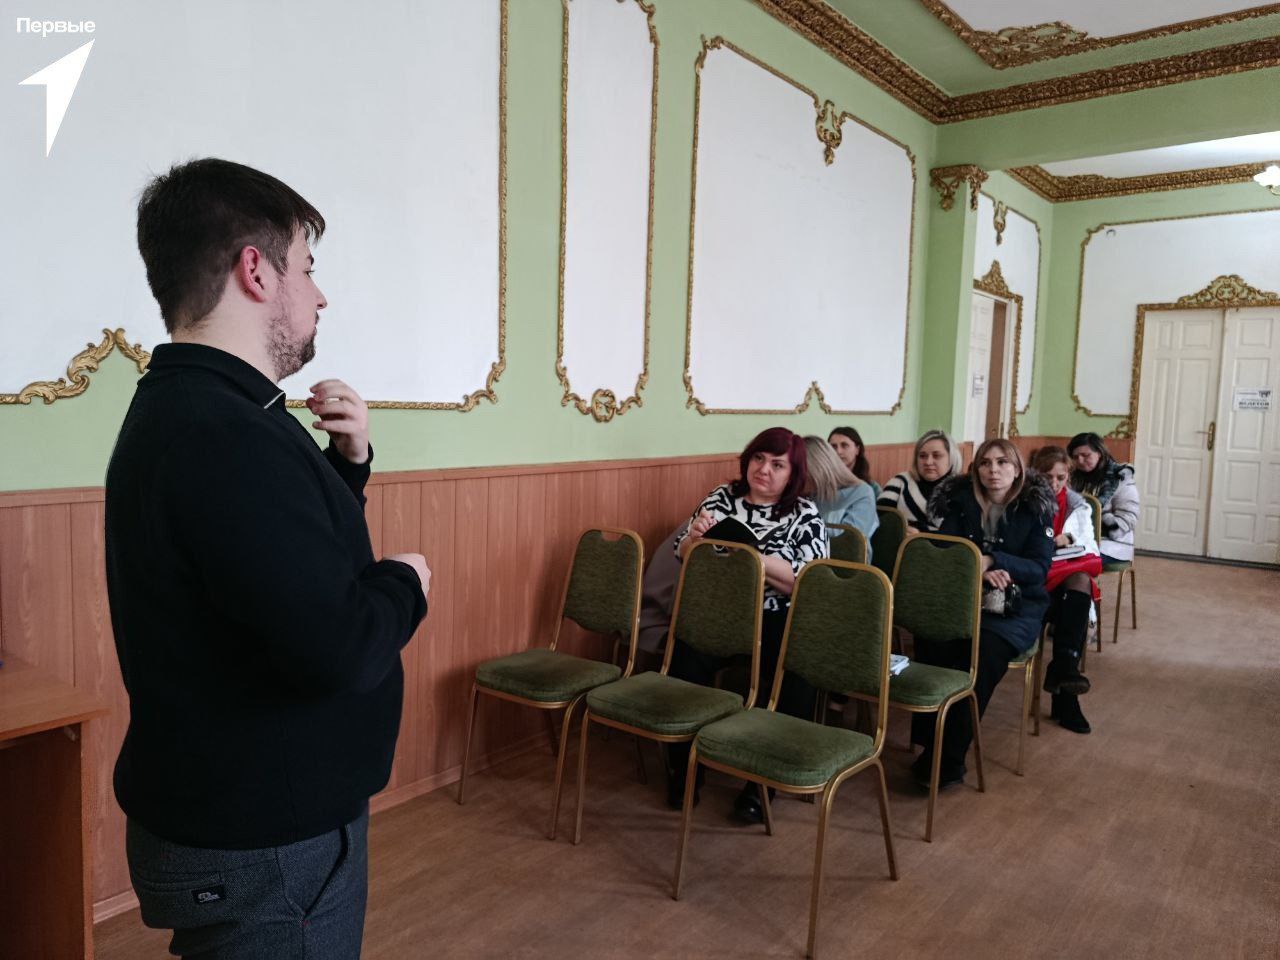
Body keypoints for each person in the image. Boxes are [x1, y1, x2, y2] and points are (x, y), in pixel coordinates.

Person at [106, 158, 430, 960]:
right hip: (269, 843)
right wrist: (407, 582)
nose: (320, 295)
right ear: (256, 271)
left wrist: (347, 467)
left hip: (248, 818)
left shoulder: (204, 408)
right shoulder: (224, 433)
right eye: (308, 269)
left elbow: (271, 569)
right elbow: (338, 646)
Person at [666, 428, 828, 822]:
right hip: (720, 612)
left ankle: (762, 785)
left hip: (776, 617)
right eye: (758, 458)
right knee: (683, 663)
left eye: (777, 465)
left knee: (798, 673)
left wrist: (752, 555)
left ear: (793, 474)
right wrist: (694, 541)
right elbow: (681, 551)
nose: (764, 470)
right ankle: (684, 769)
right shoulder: (721, 498)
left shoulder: (804, 514)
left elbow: (806, 578)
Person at [916, 439, 1053, 786]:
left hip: (1015, 608)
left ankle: (947, 759)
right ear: (976, 469)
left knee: (981, 657)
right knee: (934, 641)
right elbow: (944, 551)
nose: (994, 470)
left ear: (1017, 469)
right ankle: (929, 740)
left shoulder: (1034, 508)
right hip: (964, 598)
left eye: (1002, 462)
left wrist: (993, 560)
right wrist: (975, 570)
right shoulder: (960, 503)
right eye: (985, 463)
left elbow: (1039, 568)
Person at [1031, 447, 1102, 734]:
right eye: (1047, 476)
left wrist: (1070, 539)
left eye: (1060, 477)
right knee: (1075, 603)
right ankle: (1065, 688)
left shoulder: (1077, 507)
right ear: (1034, 474)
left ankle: (1064, 670)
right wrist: (1050, 543)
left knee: (1080, 583)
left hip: (1063, 582)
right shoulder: (1022, 500)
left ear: (1068, 477)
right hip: (1033, 584)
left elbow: (1090, 548)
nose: (1054, 483)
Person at [1068, 432, 1140, 564]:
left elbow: (1129, 518)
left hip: (1112, 545)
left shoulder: (1121, 477)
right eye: (1075, 457)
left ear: (1099, 453)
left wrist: (1101, 524)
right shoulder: (1072, 478)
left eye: (1085, 455)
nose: (1080, 461)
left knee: (1074, 561)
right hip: (1078, 539)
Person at [804, 434, 878, 561]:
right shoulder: (807, 492)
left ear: (818, 468)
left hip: (846, 566)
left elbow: (849, 545)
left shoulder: (862, 492)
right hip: (808, 561)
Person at [877, 428, 962, 532]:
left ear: (952, 458)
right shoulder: (900, 482)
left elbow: (962, 533)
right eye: (922, 456)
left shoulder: (962, 490)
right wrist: (900, 530)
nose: (928, 462)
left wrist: (920, 534)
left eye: (936, 456)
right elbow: (878, 520)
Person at [828, 425, 880, 497]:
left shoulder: (872, 488)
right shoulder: (822, 485)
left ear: (857, 449)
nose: (838, 451)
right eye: (833, 446)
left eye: (844, 445)